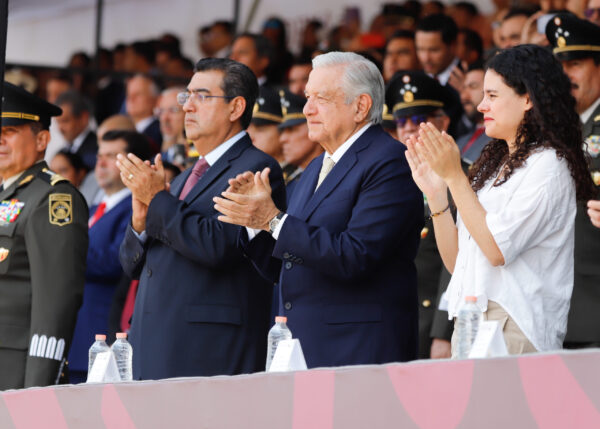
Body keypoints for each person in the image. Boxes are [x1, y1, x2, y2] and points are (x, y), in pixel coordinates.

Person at [214, 52, 423, 368]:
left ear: (361, 106)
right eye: (308, 97)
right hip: (303, 345)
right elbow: (285, 265)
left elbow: (356, 255)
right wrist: (256, 224)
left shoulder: (389, 161)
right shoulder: (314, 167)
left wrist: (272, 219)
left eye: (320, 99)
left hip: (359, 349)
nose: (307, 109)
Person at [405, 45, 595, 355]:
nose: (481, 106)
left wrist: (455, 177)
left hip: (515, 324)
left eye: (492, 96)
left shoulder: (548, 164)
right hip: (471, 321)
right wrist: (438, 196)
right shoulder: (495, 166)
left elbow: (495, 251)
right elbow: (457, 263)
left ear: (527, 99)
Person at [117, 58, 286, 380]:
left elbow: (218, 246)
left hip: (208, 350)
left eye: (202, 96)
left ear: (236, 108)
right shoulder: (182, 179)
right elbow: (133, 265)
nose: (187, 107)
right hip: (155, 340)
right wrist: (139, 223)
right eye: (186, 96)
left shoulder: (256, 169)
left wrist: (156, 199)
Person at [0, 82, 88, 389]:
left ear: (41, 139)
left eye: (9, 132)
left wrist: (39, 384)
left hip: (15, 369)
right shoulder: (6, 194)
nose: (0, 142)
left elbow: (56, 302)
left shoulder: (52, 199)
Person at [68, 130, 152, 383]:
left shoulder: (136, 206)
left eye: (111, 156)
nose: (100, 163)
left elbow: (118, 262)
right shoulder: (94, 206)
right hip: (77, 334)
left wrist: (64, 250)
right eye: (99, 156)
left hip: (103, 334)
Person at [387, 70, 453, 359]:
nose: (409, 129)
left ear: (443, 122)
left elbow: (458, 263)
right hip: (391, 317)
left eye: (419, 119)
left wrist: (444, 330)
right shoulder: (387, 178)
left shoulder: (460, 176)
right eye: (402, 121)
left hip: (430, 319)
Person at [546, 14, 600, 348]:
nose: (566, 75)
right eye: (560, 66)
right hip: (553, 305)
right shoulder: (551, 128)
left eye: (575, 63)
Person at [278, 89, 322, 200]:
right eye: (283, 131)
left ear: (314, 127)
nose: (283, 138)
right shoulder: (290, 179)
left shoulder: (328, 176)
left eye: (292, 130)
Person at [55, 90, 97, 171]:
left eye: (65, 121)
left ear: (84, 118)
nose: (60, 128)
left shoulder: (97, 151)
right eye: (58, 122)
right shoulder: (61, 152)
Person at [125, 74, 162, 149]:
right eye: (128, 94)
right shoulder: (125, 128)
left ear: (154, 99)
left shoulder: (159, 131)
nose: (131, 99)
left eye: (138, 94)